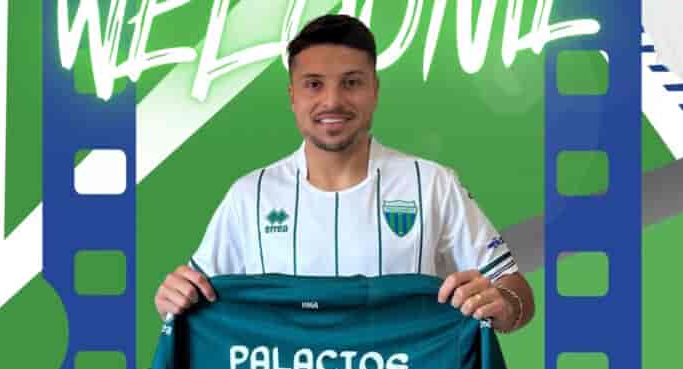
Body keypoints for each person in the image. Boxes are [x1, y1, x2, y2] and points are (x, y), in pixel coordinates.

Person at [154, 14, 534, 333]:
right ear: (292, 95)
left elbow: (516, 290)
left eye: (351, 83)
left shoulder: (432, 184)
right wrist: (171, 299)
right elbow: (192, 298)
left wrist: (504, 304)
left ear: (375, 90)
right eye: (314, 84)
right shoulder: (249, 196)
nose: (332, 101)